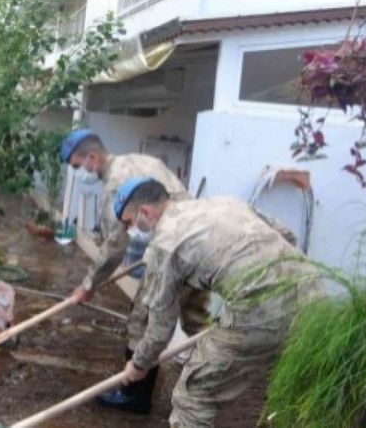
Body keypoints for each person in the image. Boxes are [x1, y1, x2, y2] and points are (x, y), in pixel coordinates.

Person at [114, 177, 324, 427]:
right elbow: (287, 235)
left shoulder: (164, 246)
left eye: (129, 222)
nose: (131, 230)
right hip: (313, 290)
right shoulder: (224, 203)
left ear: (145, 212)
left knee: (192, 396)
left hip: (261, 309)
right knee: (290, 383)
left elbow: (160, 328)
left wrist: (139, 363)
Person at [59, 128, 210, 413]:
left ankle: (135, 395)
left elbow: (115, 244)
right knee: (197, 322)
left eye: (77, 166)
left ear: (92, 157)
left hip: (174, 252)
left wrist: (89, 285)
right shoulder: (141, 161)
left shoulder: (117, 183)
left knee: (141, 319)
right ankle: (222, 375)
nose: (78, 173)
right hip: (195, 245)